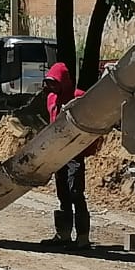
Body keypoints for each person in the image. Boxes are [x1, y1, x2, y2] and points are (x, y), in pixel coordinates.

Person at [44, 61, 97, 248]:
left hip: (75, 153)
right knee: (63, 194)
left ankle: (83, 238)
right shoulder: (51, 99)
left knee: (76, 193)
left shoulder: (79, 97)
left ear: (64, 81)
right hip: (58, 154)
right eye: (49, 83)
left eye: (55, 82)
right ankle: (63, 234)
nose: (52, 86)